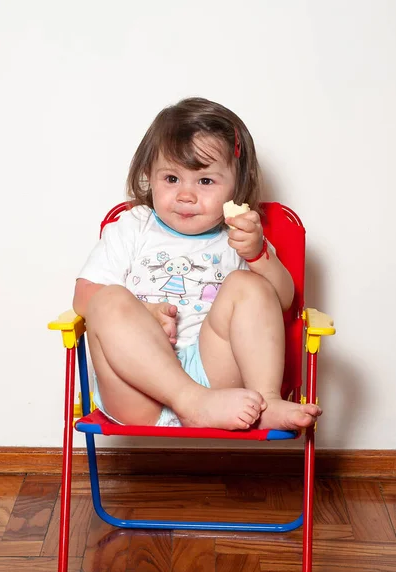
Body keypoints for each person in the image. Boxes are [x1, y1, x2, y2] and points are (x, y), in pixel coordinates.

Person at [73, 97, 322, 431]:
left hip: (217, 379)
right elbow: (83, 297)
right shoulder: (134, 227)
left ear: (237, 182)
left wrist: (258, 255)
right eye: (172, 179)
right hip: (138, 387)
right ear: (149, 174)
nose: (186, 195)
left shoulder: (240, 234)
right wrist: (144, 313)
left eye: (205, 181)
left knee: (249, 285)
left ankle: (267, 400)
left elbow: (283, 301)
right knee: (106, 299)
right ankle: (189, 401)